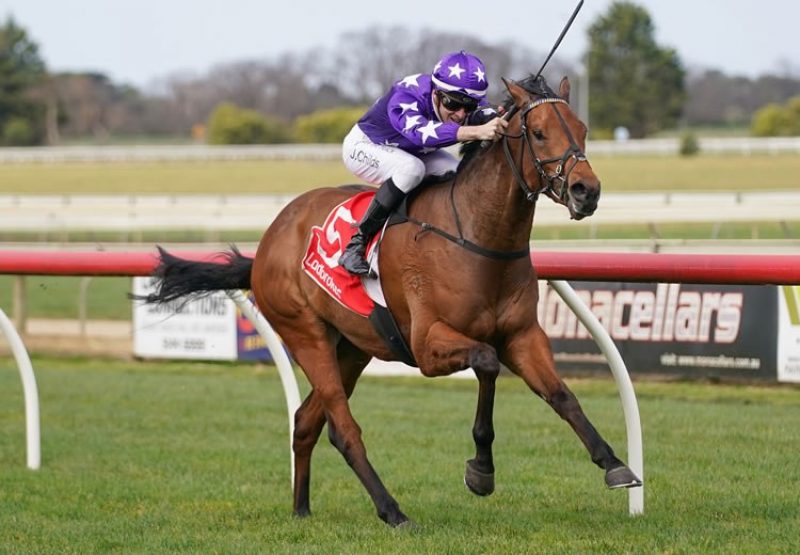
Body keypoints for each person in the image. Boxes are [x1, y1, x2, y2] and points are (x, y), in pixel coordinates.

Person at [338, 50, 508, 276]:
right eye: (453, 104)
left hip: (412, 151)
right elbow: (421, 134)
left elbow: (486, 113)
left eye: (468, 107)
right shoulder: (407, 95)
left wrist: (503, 114)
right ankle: (356, 244)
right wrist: (476, 131)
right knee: (411, 170)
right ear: (436, 94)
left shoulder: (462, 100)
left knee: (457, 172)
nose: (460, 114)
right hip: (366, 146)